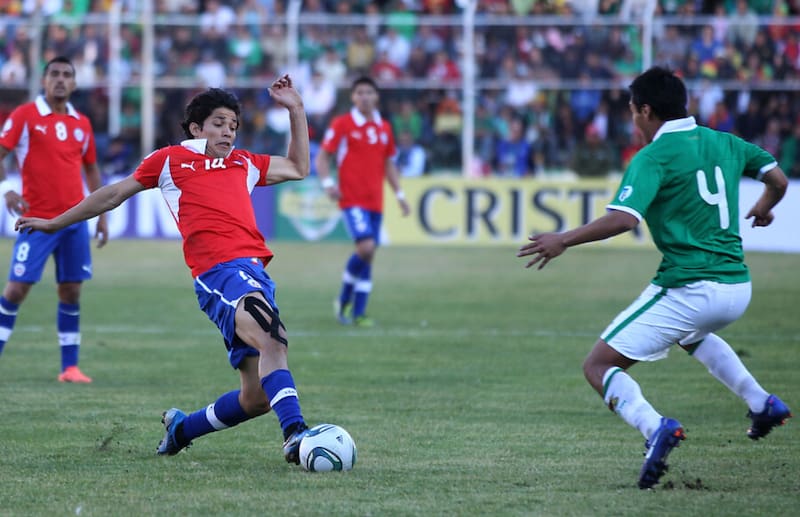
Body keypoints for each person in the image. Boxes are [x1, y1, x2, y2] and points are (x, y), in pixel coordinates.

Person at [517, 67, 792, 489]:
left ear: (646, 110)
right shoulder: (723, 141)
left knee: (598, 365)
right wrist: (764, 205)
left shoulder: (653, 156)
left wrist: (564, 240)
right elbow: (776, 178)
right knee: (690, 333)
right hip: (738, 286)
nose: (632, 121)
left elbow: (624, 219)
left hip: (693, 286)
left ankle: (655, 427)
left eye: (632, 111)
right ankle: (762, 403)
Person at [16, 77, 314, 464]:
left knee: (255, 398)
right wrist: (55, 221)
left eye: (234, 126)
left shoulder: (244, 163)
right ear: (196, 127)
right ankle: (296, 434)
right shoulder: (171, 160)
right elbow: (112, 194)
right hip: (219, 272)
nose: (229, 131)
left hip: (255, 273)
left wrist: (296, 110)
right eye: (220, 123)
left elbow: (298, 166)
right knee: (274, 337)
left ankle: (182, 428)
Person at [0, 55, 108, 383]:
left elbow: (90, 168)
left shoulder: (82, 123)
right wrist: (6, 189)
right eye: (55, 75)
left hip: (74, 221)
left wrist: (101, 215)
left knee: (71, 291)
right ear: (44, 81)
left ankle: (70, 368)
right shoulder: (25, 116)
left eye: (67, 75)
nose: (60, 80)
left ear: (74, 83)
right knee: (16, 290)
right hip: (37, 220)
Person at [315, 76, 410, 327]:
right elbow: (323, 158)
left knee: (369, 255)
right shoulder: (343, 124)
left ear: (376, 96)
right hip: (352, 199)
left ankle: (359, 312)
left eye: (369, 92)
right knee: (366, 248)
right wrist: (328, 184)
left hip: (375, 201)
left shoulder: (384, 127)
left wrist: (400, 195)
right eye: (360, 92)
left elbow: (389, 163)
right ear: (353, 97)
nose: (365, 96)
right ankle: (345, 299)